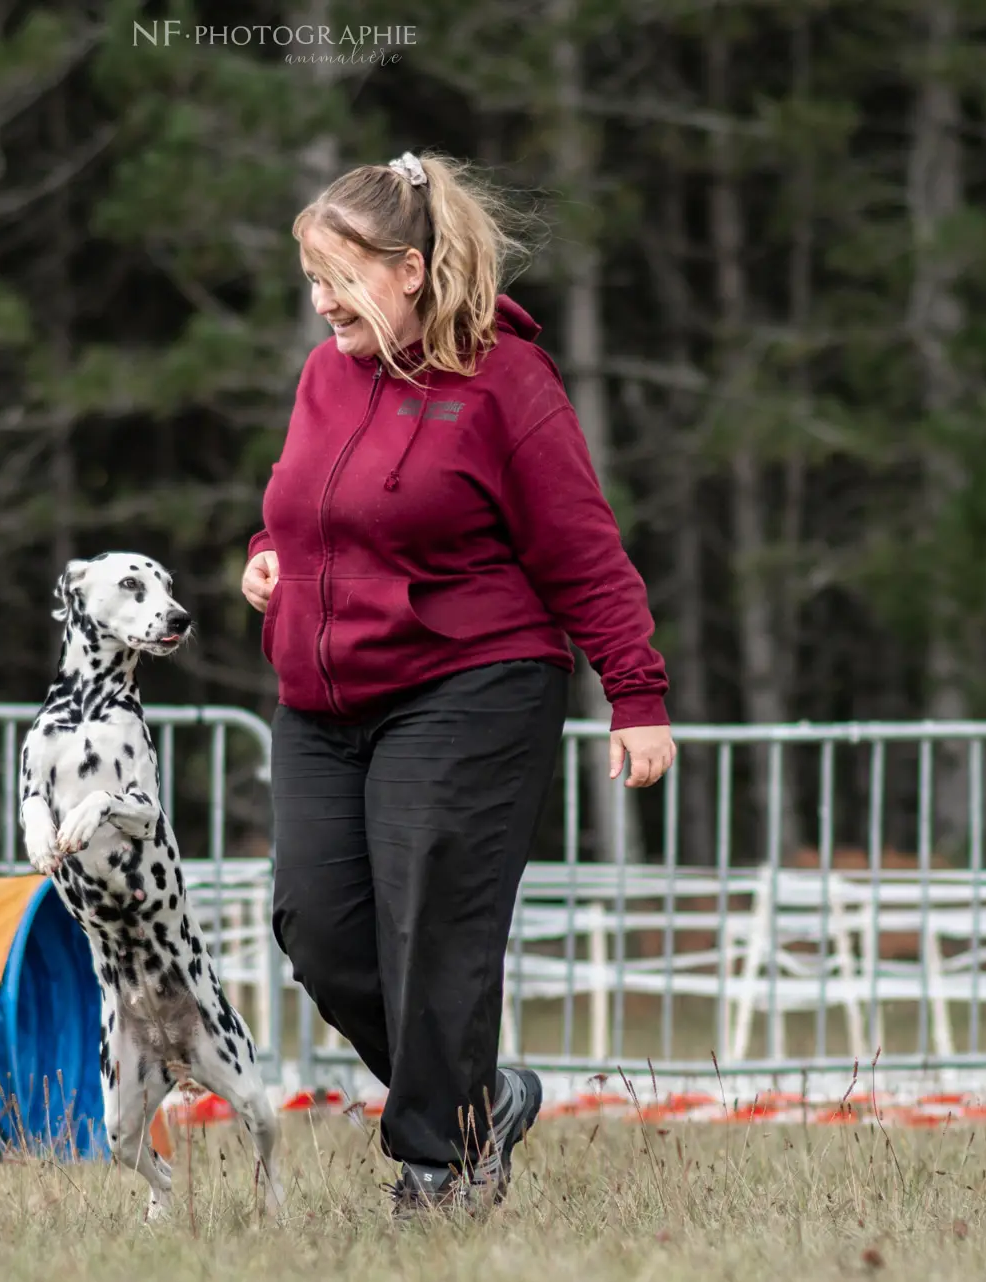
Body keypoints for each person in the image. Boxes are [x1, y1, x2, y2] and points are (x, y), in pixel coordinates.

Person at [241, 150, 675, 1216]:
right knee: (319, 926)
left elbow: (580, 548)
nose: (318, 299)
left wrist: (637, 693)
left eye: (339, 276)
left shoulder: (505, 384)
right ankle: (481, 1101)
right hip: (323, 699)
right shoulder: (319, 375)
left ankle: (439, 1166)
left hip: (472, 682)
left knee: (433, 920)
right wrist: (264, 553)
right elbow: (300, 503)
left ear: (412, 271)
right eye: (310, 275)